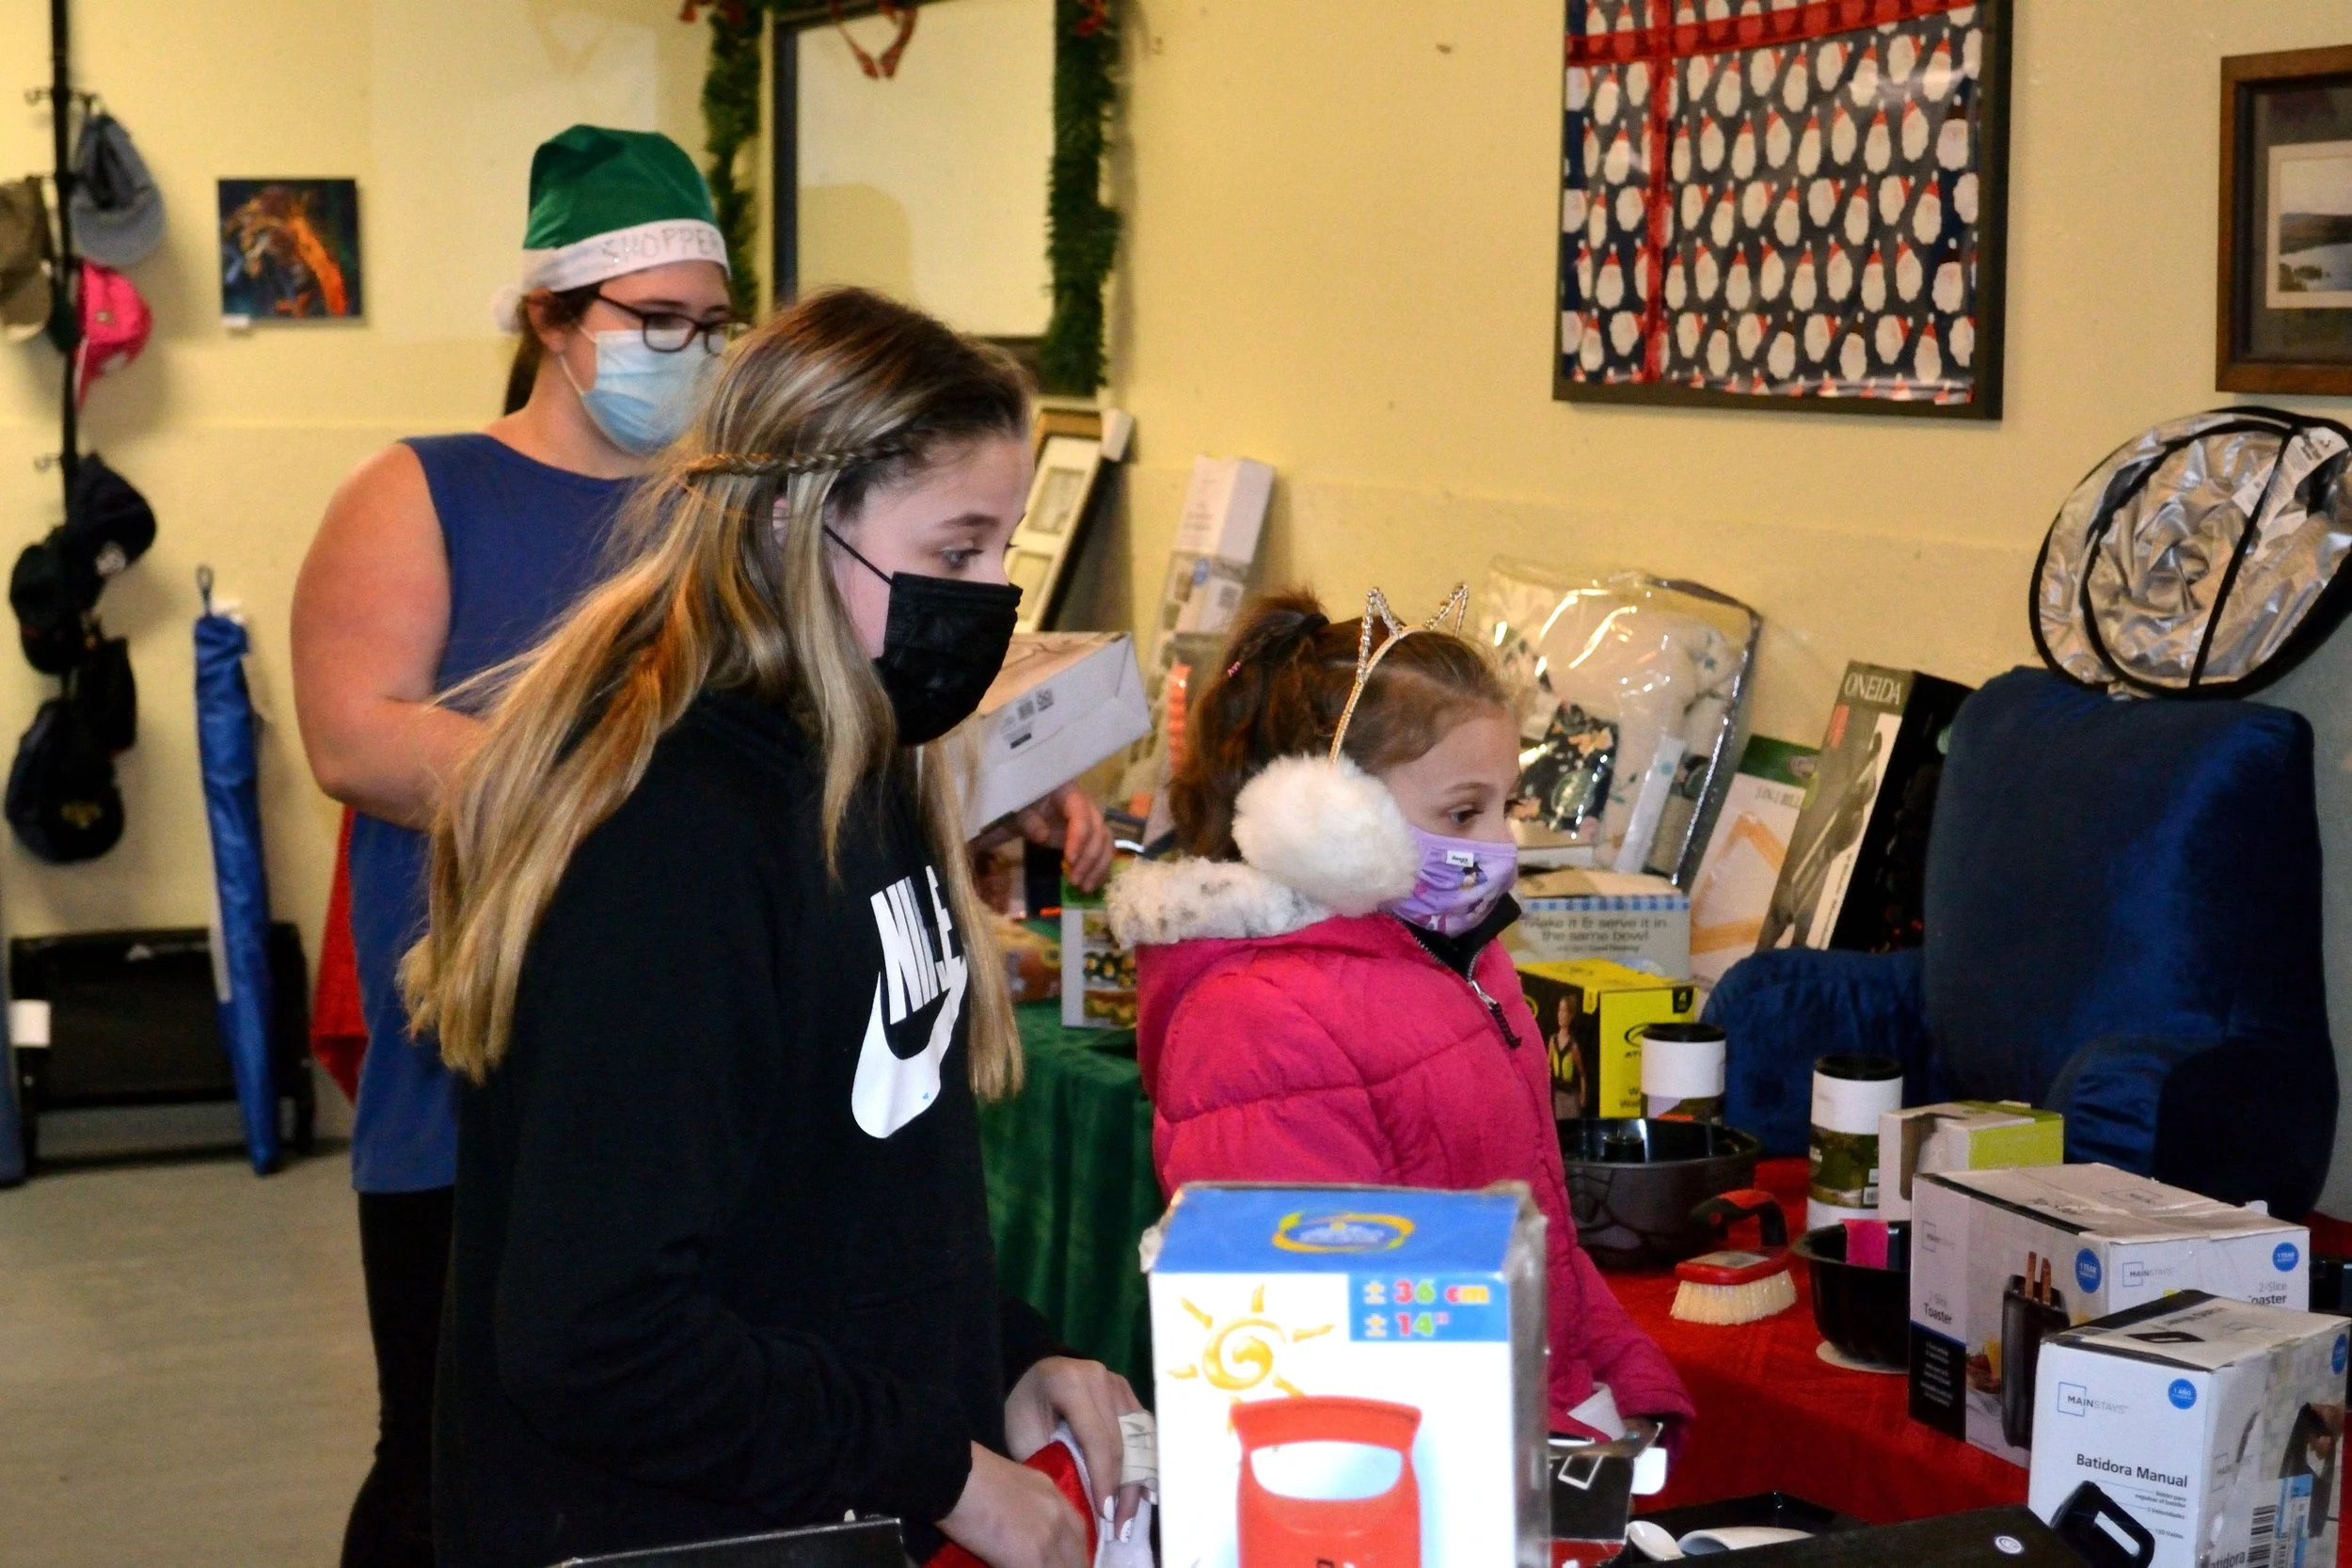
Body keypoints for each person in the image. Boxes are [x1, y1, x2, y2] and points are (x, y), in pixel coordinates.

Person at [401, 287, 1137, 1568]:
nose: (988, 599)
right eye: (957, 550)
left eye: (1000, 553)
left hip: (820, 1505)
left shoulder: (865, 768)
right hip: (677, 1530)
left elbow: (852, 1194)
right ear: (797, 519)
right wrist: (938, 1464)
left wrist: (1005, 1358)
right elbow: (598, 1331)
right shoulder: (671, 839)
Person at [292, 123, 739, 1568]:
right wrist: (609, 787)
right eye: (654, 322)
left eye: (709, 327)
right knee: (442, 1444)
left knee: (658, 1437)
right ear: (550, 316)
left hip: (681, 1056)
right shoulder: (421, 495)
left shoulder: (718, 512)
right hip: (473, 1070)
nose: (685, 353)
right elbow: (356, 737)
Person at [1106, 587, 1694, 1443]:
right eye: (1463, 812)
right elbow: (1328, 1345)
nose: (1498, 844)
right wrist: (1558, 1447)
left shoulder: (1460, 957)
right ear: (1326, 819)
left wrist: (1623, 1377)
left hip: (1539, 1431)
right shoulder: (1256, 1024)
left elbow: (1541, 1229)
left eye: (1507, 806)